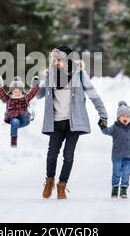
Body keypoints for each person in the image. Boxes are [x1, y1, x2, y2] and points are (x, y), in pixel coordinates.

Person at [37, 45, 108, 199]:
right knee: (51, 154)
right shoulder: (51, 75)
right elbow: (39, 95)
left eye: (60, 59)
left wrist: (103, 114)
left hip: (73, 123)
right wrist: (35, 85)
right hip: (55, 121)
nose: (57, 62)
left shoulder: (80, 75)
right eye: (55, 59)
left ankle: (62, 185)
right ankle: (49, 181)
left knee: (68, 155)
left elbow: (93, 95)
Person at [98, 101, 130, 199]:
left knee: (126, 173)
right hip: (117, 156)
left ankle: (123, 190)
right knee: (116, 173)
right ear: (118, 117)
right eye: (123, 116)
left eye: (128, 116)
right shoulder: (115, 128)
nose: (125, 118)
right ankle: (114, 189)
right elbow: (106, 131)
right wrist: (102, 124)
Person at [0, 75, 40, 148]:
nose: (17, 93)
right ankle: (13, 141)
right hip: (14, 119)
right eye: (15, 91)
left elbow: (32, 93)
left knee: (23, 113)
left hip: (24, 119)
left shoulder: (25, 98)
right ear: (12, 91)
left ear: (22, 91)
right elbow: (2, 93)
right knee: (15, 121)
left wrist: (35, 86)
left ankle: (26, 114)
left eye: (19, 91)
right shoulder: (8, 99)